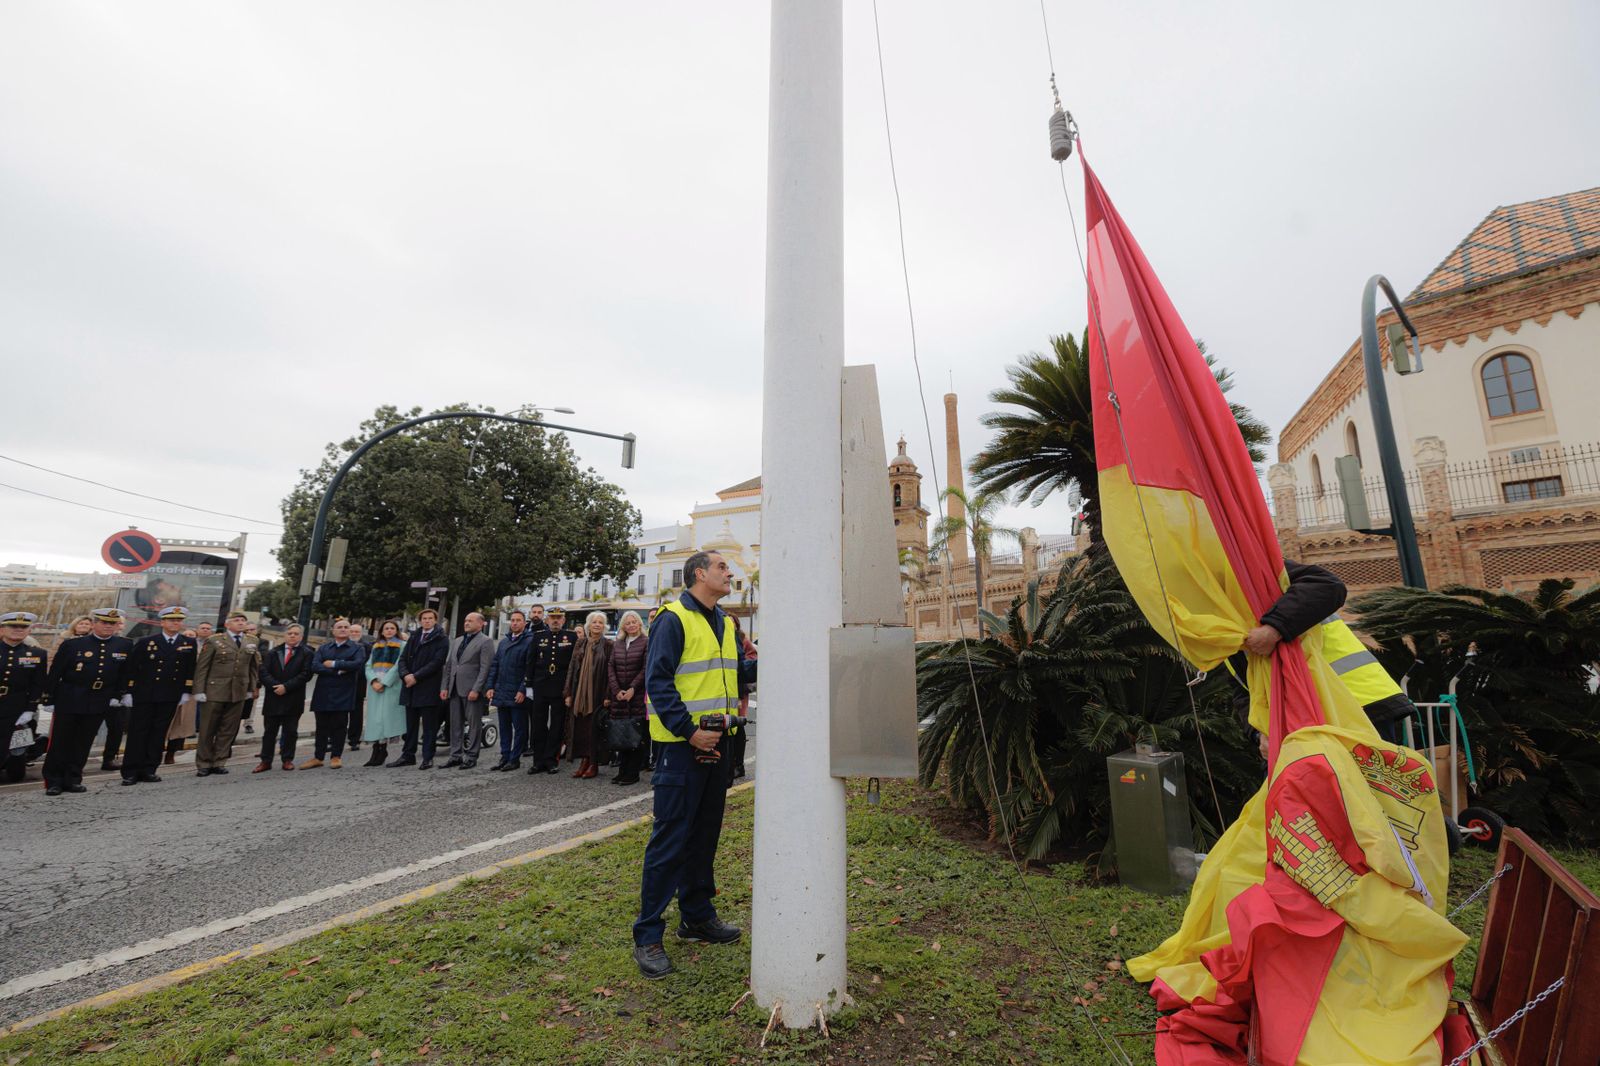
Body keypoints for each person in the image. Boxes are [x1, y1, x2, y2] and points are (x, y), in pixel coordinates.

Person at [632, 551, 756, 978]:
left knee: (704, 837)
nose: (729, 573)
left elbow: (733, 675)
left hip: (718, 746)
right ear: (699, 574)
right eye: (722, 567)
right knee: (670, 841)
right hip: (682, 748)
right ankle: (648, 935)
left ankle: (697, 916)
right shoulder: (672, 619)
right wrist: (689, 731)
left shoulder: (724, 621)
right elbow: (658, 682)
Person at [1237, 559, 1416, 742]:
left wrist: (1274, 629)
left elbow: (1328, 585)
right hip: (1304, 722)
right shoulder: (1224, 626)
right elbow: (1242, 690)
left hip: (1360, 702)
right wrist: (1260, 733)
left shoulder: (1245, 563)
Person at [39, 607, 136, 795]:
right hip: (71, 697)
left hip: (99, 699)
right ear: (94, 624)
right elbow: (56, 671)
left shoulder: (124, 645)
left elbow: (125, 672)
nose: (108, 626)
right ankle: (54, 780)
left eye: (112, 623)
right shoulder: (73, 644)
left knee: (83, 742)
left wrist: (119, 694)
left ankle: (73, 778)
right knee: (61, 741)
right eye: (104, 623)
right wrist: (48, 697)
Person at [123, 606, 197, 785]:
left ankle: (150, 769)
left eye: (178, 620)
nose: (175, 623)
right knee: (138, 732)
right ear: (162, 622)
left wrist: (186, 691)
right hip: (145, 694)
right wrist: (128, 691)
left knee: (159, 733)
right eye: (171, 620)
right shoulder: (147, 641)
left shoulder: (188, 642)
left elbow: (190, 669)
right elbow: (132, 667)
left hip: (170, 694)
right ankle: (131, 771)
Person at [191, 612, 262, 778]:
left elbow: (253, 667)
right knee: (208, 729)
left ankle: (219, 762)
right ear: (227, 624)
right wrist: (199, 690)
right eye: (236, 620)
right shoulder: (214, 640)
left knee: (228, 729)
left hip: (238, 691)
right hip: (214, 691)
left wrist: (251, 688)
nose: (241, 623)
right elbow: (202, 667)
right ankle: (204, 763)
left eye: (243, 620)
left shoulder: (252, 640)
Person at [303, 619, 367, 768]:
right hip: (323, 691)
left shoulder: (357, 648)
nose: (343, 629)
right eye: (340, 627)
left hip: (344, 692)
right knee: (321, 726)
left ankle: (336, 756)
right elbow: (315, 666)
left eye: (346, 627)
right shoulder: (324, 648)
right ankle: (318, 757)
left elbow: (357, 664)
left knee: (340, 725)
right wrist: (339, 671)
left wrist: (333, 664)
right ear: (333, 630)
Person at [389, 608, 448, 768]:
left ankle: (428, 757)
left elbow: (437, 662)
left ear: (435, 620)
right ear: (420, 621)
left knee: (429, 726)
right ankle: (408, 755)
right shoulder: (414, 636)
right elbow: (402, 659)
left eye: (430, 618)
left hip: (428, 687)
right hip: (410, 687)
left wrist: (415, 676)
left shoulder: (442, 638)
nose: (427, 621)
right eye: (424, 618)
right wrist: (405, 675)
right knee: (410, 725)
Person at [523, 607, 576, 774]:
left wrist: (570, 689)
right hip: (540, 685)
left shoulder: (571, 637)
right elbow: (531, 661)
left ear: (564, 620)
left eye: (559, 617)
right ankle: (538, 761)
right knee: (538, 724)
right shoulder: (538, 636)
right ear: (547, 620)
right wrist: (528, 684)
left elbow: (574, 665)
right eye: (553, 617)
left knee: (557, 725)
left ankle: (551, 760)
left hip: (560, 687)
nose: (555, 620)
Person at [440, 611, 493, 769]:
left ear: (480, 624)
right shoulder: (457, 641)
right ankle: (455, 755)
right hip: (454, 689)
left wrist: (477, 689)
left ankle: (471, 756)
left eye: (470, 621)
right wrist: (444, 687)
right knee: (455, 724)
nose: (466, 623)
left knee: (474, 724)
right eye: (465, 620)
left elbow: (485, 668)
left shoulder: (486, 641)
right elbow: (450, 666)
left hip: (472, 690)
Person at [256, 624, 312, 771]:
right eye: (290, 633)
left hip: (293, 698)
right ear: (284, 635)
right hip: (273, 697)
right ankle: (265, 761)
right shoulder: (273, 652)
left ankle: (287, 759)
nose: (292, 636)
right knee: (269, 731)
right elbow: (263, 672)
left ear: (301, 636)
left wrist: (286, 687)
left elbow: (306, 674)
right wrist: (275, 686)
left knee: (290, 731)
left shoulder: (306, 653)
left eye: (296, 634)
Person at [484, 609, 535, 771]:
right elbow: (495, 666)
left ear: (524, 623)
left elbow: (529, 669)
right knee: (504, 728)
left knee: (519, 729)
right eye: (512, 620)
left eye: (518, 620)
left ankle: (514, 759)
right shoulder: (504, 642)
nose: (515, 623)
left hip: (517, 693)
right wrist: (490, 686)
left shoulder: (530, 641)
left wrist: (523, 690)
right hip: (501, 691)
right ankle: (504, 756)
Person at [564, 611, 612, 779]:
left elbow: (611, 672)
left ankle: (593, 763)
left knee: (594, 730)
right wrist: (568, 693)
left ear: (604, 626)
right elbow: (572, 668)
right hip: (579, 693)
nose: (597, 625)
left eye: (600, 622)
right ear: (588, 625)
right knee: (581, 729)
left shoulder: (609, 645)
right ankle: (584, 761)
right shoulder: (580, 643)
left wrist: (608, 695)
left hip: (598, 693)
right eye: (594, 622)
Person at [605, 609, 649, 785]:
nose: (631, 625)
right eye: (628, 623)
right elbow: (611, 666)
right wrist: (616, 690)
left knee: (635, 734)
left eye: (634, 622)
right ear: (623, 625)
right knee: (621, 734)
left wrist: (632, 688)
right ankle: (622, 771)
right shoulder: (618, 643)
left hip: (636, 696)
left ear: (639, 623)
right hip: (619, 697)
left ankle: (632, 773)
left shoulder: (646, 642)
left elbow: (646, 668)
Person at [0, 613, 48, 763]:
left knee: (3, 746)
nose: (19, 629)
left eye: (24, 626)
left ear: (29, 630)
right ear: (2, 629)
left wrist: (30, 709)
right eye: (13, 626)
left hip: (13, 707)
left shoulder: (37, 654)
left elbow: (37, 684)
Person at [360, 620, 407, 766]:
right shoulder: (376, 645)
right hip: (375, 686)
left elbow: (399, 665)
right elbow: (368, 665)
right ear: (382, 631)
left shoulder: (402, 645)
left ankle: (383, 749)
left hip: (391, 686)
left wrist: (384, 682)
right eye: (386, 628)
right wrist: (373, 681)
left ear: (396, 630)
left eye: (392, 628)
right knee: (375, 719)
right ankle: (376, 750)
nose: (389, 630)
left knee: (386, 718)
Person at [728, 614, 756, 779]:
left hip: (739, 689)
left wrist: (743, 664)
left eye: (732, 621)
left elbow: (751, 657)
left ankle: (738, 764)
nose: (728, 623)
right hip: (727, 689)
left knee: (738, 725)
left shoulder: (741, 639)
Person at [346, 623, 370, 751]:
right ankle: (334, 739)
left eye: (357, 632)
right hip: (343, 684)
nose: (354, 634)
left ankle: (354, 739)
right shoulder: (343, 644)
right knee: (340, 714)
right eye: (352, 631)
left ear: (361, 633)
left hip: (359, 683)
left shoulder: (367, 646)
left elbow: (367, 665)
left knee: (356, 713)